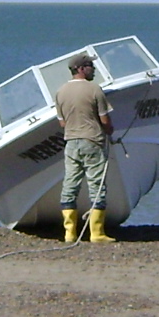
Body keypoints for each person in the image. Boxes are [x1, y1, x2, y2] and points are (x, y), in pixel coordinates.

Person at [55, 53, 115, 244]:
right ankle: (97, 233)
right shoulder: (95, 89)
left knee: (70, 184)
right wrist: (109, 131)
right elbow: (105, 120)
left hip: (71, 142)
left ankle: (69, 234)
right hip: (93, 141)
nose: (93, 69)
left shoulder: (60, 92)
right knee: (97, 186)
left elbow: (62, 123)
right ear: (81, 69)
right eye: (90, 66)